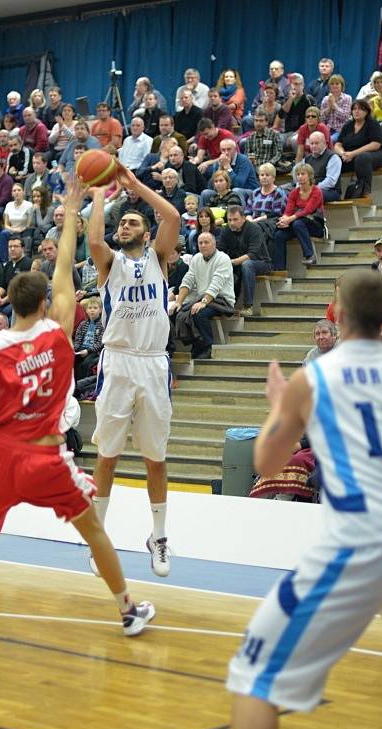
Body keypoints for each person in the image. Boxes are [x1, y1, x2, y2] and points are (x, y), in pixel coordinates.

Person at [0, 180, 155, 642]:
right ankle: (127, 609)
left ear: (10, 303)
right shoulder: (57, 334)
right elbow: (64, 264)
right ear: (44, 303)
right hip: (45, 456)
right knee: (93, 531)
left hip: (4, 451)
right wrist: (69, 211)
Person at [228, 268, 382, 729]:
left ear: (336, 315)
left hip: (360, 543)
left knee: (253, 679)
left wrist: (280, 407)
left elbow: (265, 464)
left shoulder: (316, 376)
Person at [88, 161, 180, 578]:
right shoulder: (110, 263)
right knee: (107, 455)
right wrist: (97, 192)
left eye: (131, 223)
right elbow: (93, 239)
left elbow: (173, 216)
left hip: (153, 362)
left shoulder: (160, 257)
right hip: (119, 362)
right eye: (120, 223)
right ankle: (98, 536)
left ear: (145, 231)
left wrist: (135, 186)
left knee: (154, 459)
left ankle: (158, 536)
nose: (123, 227)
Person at [173, 231, 235, 359]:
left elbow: (216, 284)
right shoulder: (196, 258)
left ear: (214, 244)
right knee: (177, 312)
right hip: (203, 298)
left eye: (206, 242)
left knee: (199, 313)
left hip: (222, 299)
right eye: (200, 243)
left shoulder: (223, 258)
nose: (203, 245)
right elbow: (188, 280)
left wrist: (203, 302)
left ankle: (208, 347)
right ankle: (196, 343)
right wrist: (178, 301)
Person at [218, 205, 272, 317]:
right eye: (229, 220)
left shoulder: (254, 228)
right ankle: (225, 306)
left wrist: (231, 262)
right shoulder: (226, 229)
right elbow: (220, 251)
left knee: (247, 265)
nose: (232, 223)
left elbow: (252, 254)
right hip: (236, 263)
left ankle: (248, 306)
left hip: (261, 263)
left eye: (235, 219)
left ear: (243, 218)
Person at [334, 99, 382, 197]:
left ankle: (365, 191)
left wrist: (353, 153)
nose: (356, 111)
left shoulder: (372, 124)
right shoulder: (348, 125)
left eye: (360, 109)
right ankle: (335, 192)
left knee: (362, 157)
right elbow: (338, 144)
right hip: (352, 156)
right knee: (334, 159)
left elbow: (375, 144)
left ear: (366, 111)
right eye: (354, 109)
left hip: (379, 154)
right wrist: (343, 154)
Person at [274, 164, 325, 268]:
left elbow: (308, 210)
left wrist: (290, 219)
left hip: (315, 224)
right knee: (279, 235)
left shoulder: (316, 191)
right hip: (298, 224)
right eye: (298, 174)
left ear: (310, 175)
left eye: (303, 174)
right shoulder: (294, 193)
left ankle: (310, 255)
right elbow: (288, 211)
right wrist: (284, 220)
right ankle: (280, 268)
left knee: (298, 223)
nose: (300, 176)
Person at [302, 131, 342, 203]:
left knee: (314, 194)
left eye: (316, 143)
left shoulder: (333, 157)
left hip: (330, 191)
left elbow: (330, 181)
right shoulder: (306, 159)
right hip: (310, 189)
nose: (314, 146)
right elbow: (300, 177)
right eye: (312, 143)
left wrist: (312, 189)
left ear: (324, 144)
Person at [320, 74, 352, 141]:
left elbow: (345, 117)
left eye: (337, 84)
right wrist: (329, 107)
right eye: (332, 84)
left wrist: (334, 105)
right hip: (327, 129)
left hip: (341, 130)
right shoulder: (325, 99)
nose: (334, 86)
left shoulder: (347, 98)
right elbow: (322, 118)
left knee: (330, 140)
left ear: (341, 85)